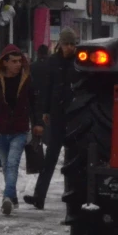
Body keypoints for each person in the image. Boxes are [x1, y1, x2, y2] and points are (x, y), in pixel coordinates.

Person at [26, 29, 78, 210]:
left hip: (75, 115)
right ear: (60, 44)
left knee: (74, 158)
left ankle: (74, 198)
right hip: (58, 113)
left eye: (72, 44)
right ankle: (39, 196)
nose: (69, 47)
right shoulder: (53, 62)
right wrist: (45, 111)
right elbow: (47, 87)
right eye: (66, 44)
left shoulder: (79, 61)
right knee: (51, 157)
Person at [0, 45, 41, 215]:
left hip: (19, 130)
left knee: (12, 164)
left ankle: (7, 198)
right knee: (6, 165)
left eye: (20, 61)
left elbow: (34, 104)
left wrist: (37, 123)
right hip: (0, 132)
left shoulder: (27, 80)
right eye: (14, 61)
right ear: (5, 63)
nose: (18, 65)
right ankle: (13, 197)